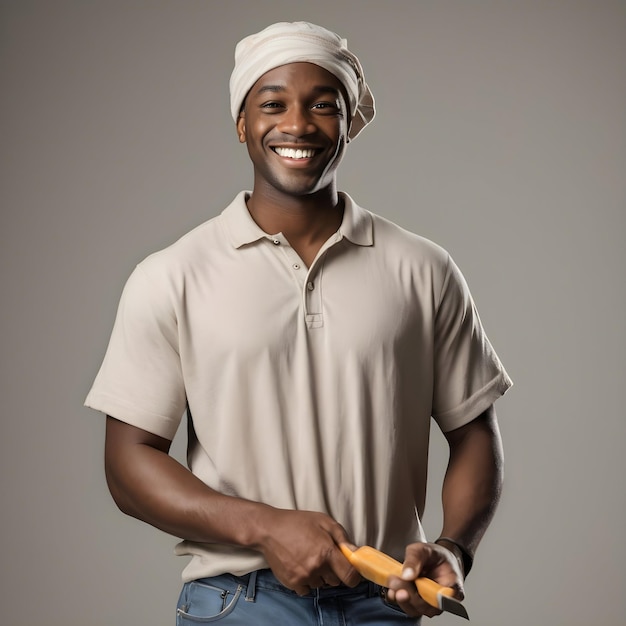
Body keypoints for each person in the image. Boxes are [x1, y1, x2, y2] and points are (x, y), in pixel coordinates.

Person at [85, 21, 512, 625]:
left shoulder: (423, 269)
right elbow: (128, 465)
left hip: (385, 604)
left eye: (323, 106)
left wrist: (452, 548)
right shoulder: (172, 276)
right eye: (272, 104)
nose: (298, 125)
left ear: (348, 124)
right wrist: (263, 528)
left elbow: (474, 434)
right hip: (238, 604)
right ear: (241, 123)